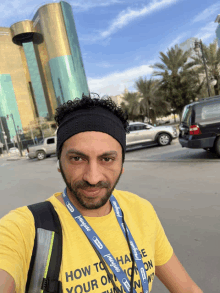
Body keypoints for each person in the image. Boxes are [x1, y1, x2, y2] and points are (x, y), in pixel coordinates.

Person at [0, 94, 203, 293]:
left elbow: (186, 287)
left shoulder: (141, 210)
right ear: (59, 163)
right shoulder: (23, 228)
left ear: (122, 164)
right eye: (77, 158)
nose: (93, 177)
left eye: (107, 159)